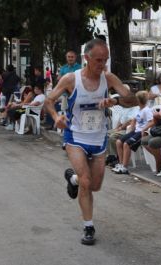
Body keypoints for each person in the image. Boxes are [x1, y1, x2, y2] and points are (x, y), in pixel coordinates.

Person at [45, 38, 136, 245]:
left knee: (94, 185)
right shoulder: (71, 79)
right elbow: (50, 100)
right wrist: (56, 116)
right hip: (75, 136)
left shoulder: (108, 78)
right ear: (86, 58)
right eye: (98, 60)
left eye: (105, 60)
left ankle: (73, 180)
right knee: (87, 180)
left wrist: (115, 100)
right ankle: (88, 226)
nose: (102, 64)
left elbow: (131, 99)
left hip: (98, 137)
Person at [112, 91, 153, 174]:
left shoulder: (147, 110)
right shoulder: (139, 109)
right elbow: (135, 119)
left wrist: (144, 129)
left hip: (142, 132)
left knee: (127, 144)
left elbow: (152, 122)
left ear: (138, 100)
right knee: (119, 142)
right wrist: (131, 127)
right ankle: (120, 163)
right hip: (135, 131)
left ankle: (124, 167)